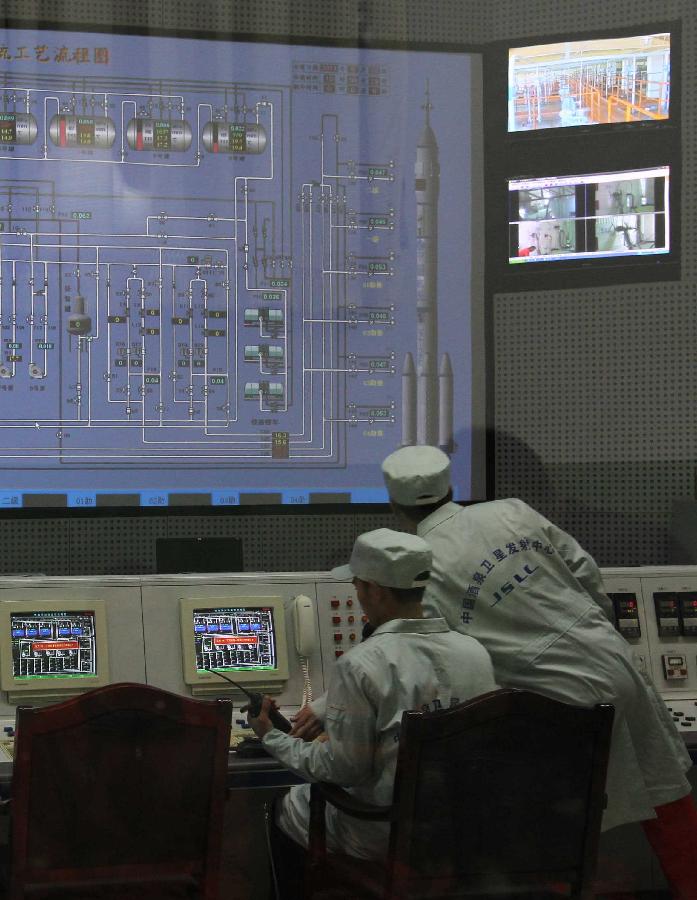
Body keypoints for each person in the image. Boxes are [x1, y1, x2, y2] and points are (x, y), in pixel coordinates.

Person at [380, 443, 697, 900]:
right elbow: (586, 573)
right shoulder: (512, 511)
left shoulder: (422, 564)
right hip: (614, 660)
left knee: (549, 826)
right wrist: (591, 633)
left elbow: (446, 656)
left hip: (551, 701)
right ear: (450, 487)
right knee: (666, 792)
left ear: (395, 505)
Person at [246, 527, 497, 898]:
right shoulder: (475, 653)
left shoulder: (362, 664)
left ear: (375, 590)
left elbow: (344, 769)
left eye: (358, 586)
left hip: (385, 833)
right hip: (456, 830)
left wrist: (272, 737)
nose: (358, 596)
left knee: (285, 808)